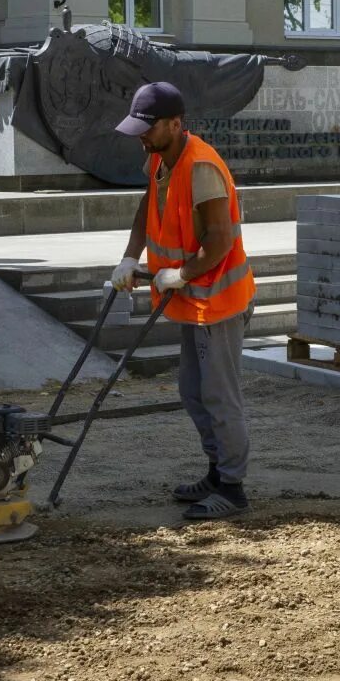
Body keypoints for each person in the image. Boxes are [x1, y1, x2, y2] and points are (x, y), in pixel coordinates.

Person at [109, 82, 256, 520]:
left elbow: (220, 237)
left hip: (219, 300)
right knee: (192, 391)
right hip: (194, 299)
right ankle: (216, 472)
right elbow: (147, 208)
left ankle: (232, 488)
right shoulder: (159, 158)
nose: (142, 136)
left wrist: (182, 273)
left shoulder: (201, 167)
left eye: (148, 128)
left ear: (176, 123)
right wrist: (128, 257)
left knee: (218, 395)